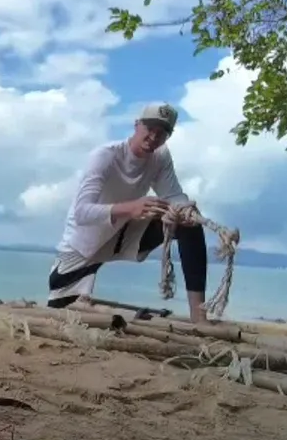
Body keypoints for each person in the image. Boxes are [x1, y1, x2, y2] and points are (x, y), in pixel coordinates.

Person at [48, 102, 210, 322]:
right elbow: (82, 213)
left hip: (125, 232)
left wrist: (188, 209)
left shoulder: (160, 156)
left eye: (162, 133)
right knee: (59, 314)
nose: (154, 137)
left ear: (168, 136)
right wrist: (131, 207)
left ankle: (199, 317)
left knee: (188, 223)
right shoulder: (105, 156)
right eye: (150, 129)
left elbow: (173, 195)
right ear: (137, 125)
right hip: (85, 244)